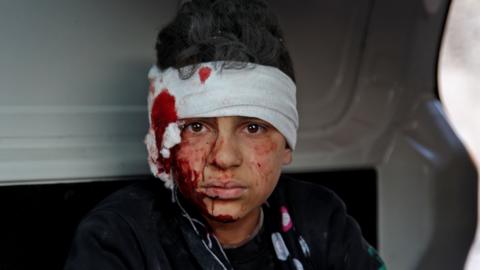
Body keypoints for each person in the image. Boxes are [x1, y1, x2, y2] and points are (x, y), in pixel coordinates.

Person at [64, 0, 386, 269]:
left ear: (286, 144)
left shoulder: (320, 218)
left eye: (253, 127)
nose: (224, 157)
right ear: (165, 145)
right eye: (197, 127)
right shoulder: (118, 239)